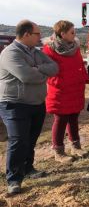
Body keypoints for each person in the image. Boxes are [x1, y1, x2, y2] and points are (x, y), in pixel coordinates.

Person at [0, 20, 59, 194]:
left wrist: (37, 68)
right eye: (37, 34)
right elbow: (26, 76)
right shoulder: (10, 53)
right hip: (15, 104)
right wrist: (42, 74)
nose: (40, 37)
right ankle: (14, 179)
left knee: (31, 139)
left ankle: (28, 168)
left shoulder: (35, 52)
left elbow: (54, 68)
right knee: (18, 141)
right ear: (26, 35)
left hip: (36, 103)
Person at [43, 20, 89, 163]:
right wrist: (63, 82)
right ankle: (58, 151)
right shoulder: (49, 50)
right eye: (72, 32)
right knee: (60, 120)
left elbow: (78, 66)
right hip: (61, 92)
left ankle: (75, 146)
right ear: (62, 34)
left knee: (74, 119)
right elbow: (48, 74)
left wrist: (83, 78)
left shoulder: (74, 47)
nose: (75, 35)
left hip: (75, 90)